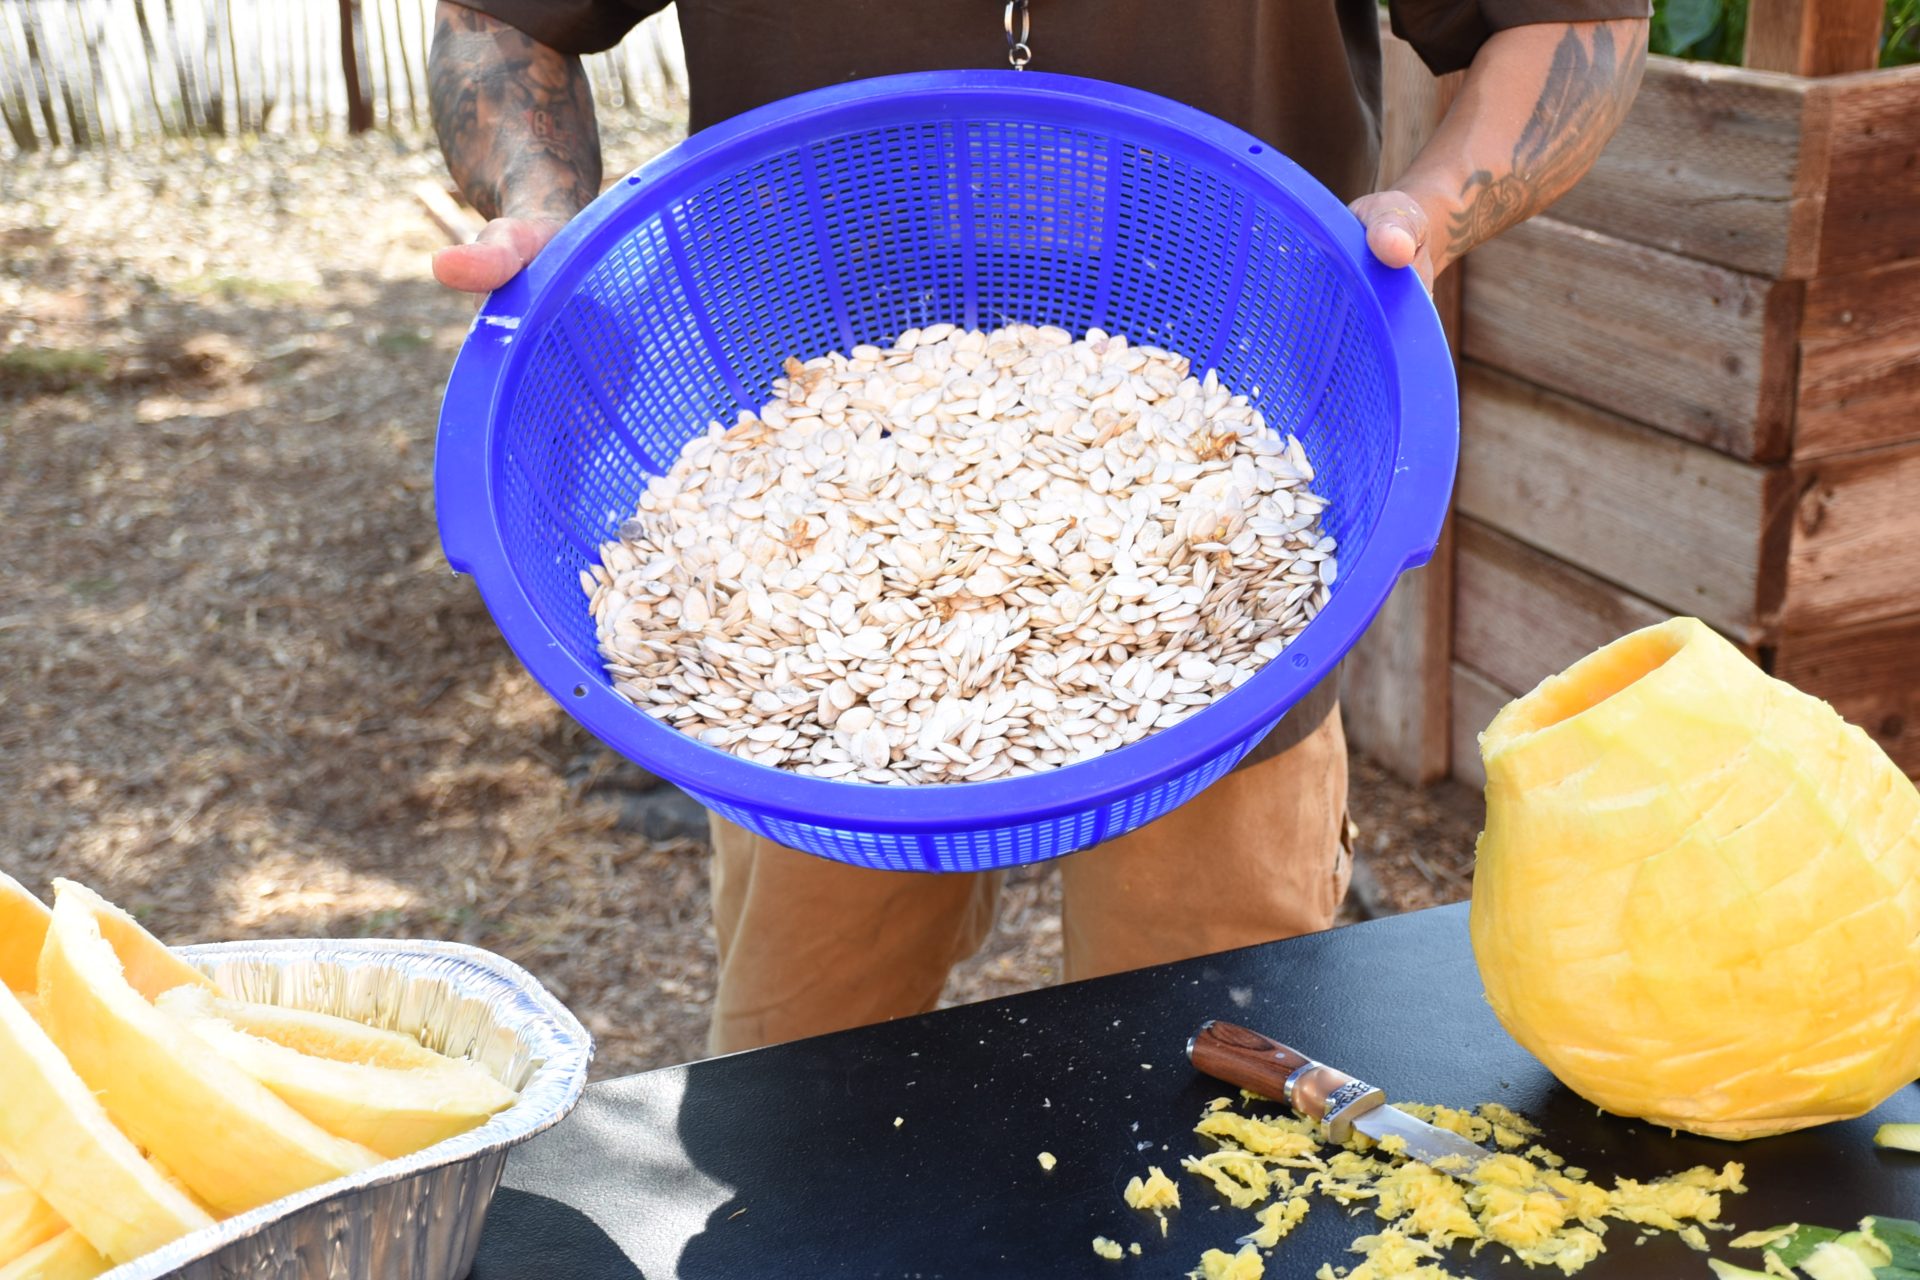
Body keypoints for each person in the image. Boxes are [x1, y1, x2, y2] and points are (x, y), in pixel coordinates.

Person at [427, 0, 1648, 1057]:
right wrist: (544, 216)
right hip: (803, 552)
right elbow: (501, 16)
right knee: (799, 1114)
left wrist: (1430, 213)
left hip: (1217, 523)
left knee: (1208, 1129)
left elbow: (1572, 18)